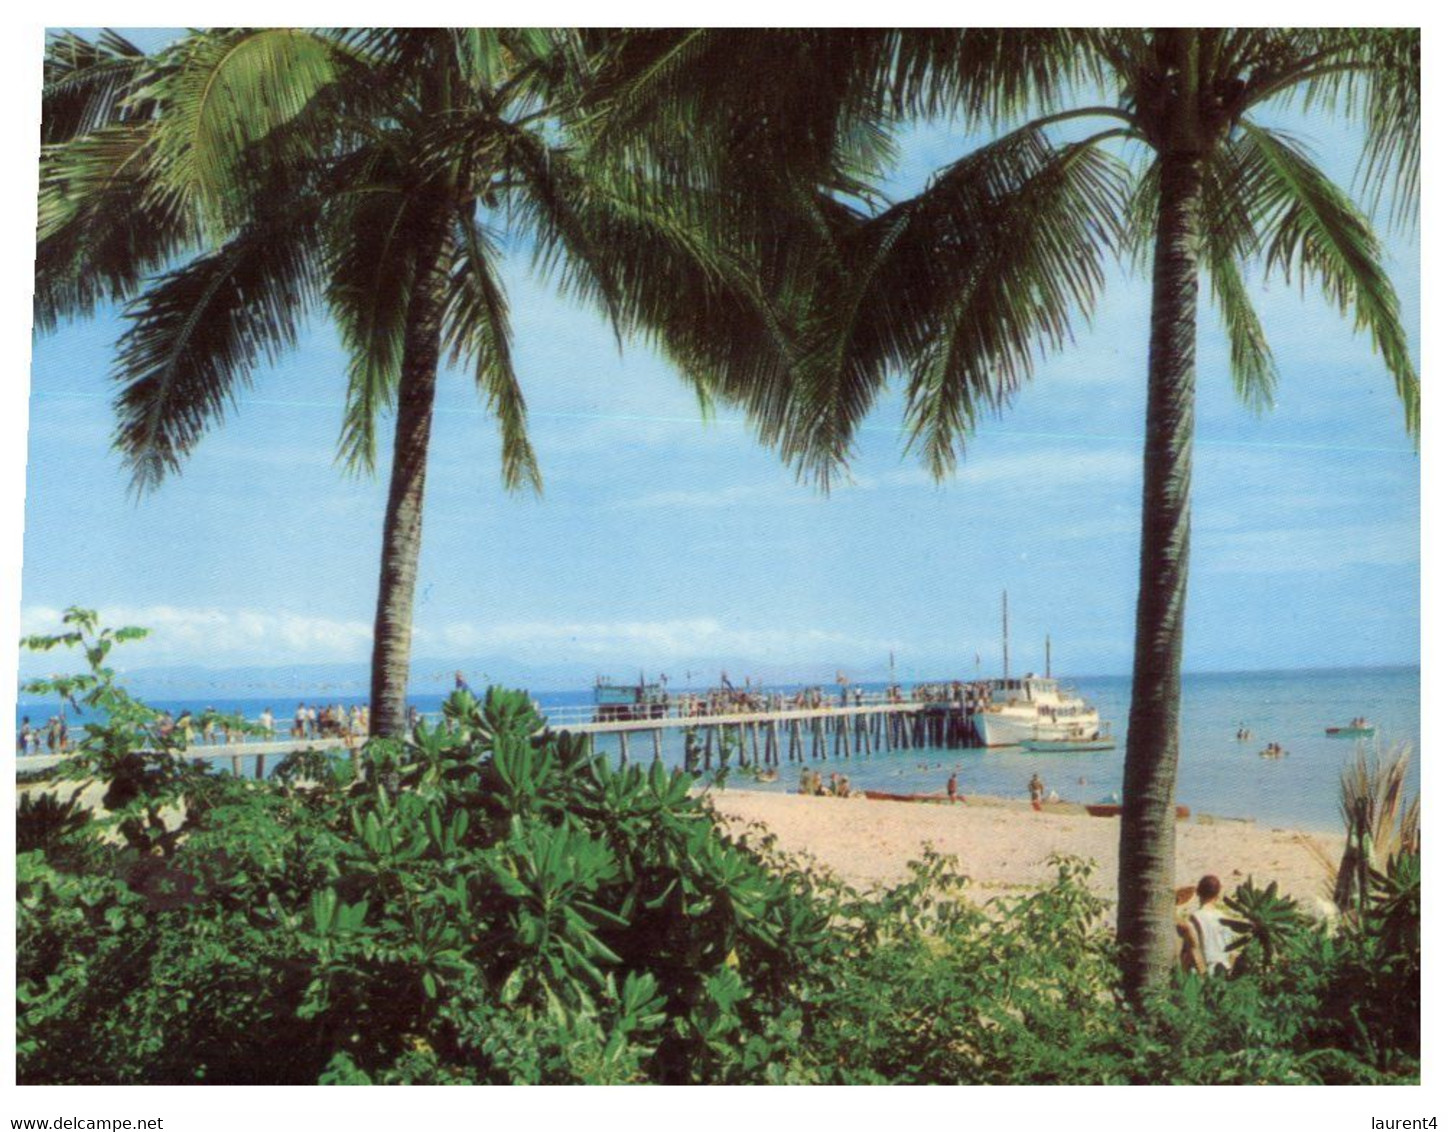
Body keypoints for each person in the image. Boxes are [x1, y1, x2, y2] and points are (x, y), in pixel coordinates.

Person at [1183, 874, 1234, 977]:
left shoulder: (1195, 917)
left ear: (1197, 892)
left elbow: (1192, 950)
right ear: (1218, 894)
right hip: (1224, 970)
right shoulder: (1224, 918)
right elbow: (1232, 951)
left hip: (1204, 971)